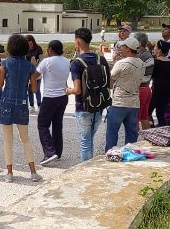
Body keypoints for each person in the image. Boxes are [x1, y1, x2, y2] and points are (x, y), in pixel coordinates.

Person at [0, 34, 42, 183]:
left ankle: (9, 173)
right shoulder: (30, 66)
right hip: (22, 103)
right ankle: (33, 172)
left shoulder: (5, 64)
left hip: (7, 102)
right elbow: (34, 89)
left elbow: (0, 85)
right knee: (25, 139)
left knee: (8, 140)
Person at [67, 27, 110, 161]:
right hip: (99, 105)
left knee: (85, 142)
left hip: (83, 106)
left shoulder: (77, 63)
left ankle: (86, 170)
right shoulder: (100, 59)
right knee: (89, 139)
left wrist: (67, 90)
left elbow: (77, 90)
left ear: (78, 42)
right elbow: (110, 83)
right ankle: (90, 166)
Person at [104, 37, 145, 151]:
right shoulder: (141, 63)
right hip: (134, 103)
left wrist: (114, 61)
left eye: (123, 46)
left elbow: (110, 81)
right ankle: (130, 155)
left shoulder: (121, 63)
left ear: (128, 49)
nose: (121, 48)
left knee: (112, 133)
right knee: (132, 134)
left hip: (119, 102)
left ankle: (110, 155)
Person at [35, 40, 69, 165]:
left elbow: (35, 75)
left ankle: (50, 152)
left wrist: (34, 65)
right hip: (63, 96)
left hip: (50, 97)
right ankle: (58, 152)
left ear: (50, 49)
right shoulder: (66, 61)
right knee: (57, 125)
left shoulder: (47, 61)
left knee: (42, 125)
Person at [151, 35, 170, 127]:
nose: (154, 49)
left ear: (160, 50)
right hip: (168, 89)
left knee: (148, 112)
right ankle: (163, 130)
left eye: (155, 47)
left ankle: (150, 129)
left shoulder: (156, 62)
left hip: (157, 90)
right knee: (160, 113)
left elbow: (151, 75)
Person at [133, 32, 154, 130]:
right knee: (144, 117)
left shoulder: (141, 56)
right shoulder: (147, 54)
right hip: (146, 89)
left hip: (140, 89)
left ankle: (134, 142)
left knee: (135, 119)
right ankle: (148, 140)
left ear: (139, 43)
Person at [25, 35, 44, 112]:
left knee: (37, 89)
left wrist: (36, 64)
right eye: (28, 44)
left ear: (33, 42)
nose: (30, 46)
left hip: (37, 71)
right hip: (27, 72)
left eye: (31, 44)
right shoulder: (24, 50)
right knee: (29, 89)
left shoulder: (38, 48)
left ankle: (39, 105)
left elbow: (42, 60)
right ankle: (31, 105)